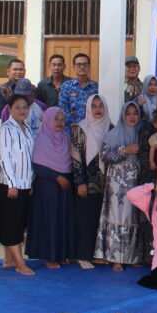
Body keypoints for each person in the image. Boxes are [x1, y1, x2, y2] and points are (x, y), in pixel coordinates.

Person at [96, 101, 150, 270]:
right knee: (118, 215)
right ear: (122, 116)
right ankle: (116, 257)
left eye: (135, 113)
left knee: (133, 216)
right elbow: (104, 156)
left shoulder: (142, 133)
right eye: (128, 113)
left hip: (136, 180)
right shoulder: (113, 134)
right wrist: (124, 151)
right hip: (117, 181)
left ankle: (132, 257)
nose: (132, 117)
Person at [27, 107, 76, 269]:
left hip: (64, 187)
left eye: (62, 119)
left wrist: (66, 179)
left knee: (62, 220)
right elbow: (37, 165)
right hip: (48, 187)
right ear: (47, 120)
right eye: (56, 119)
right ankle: (49, 256)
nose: (60, 123)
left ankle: (60, 254)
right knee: (49, 220)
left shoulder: (66, 138)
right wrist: (57, 177)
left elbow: (71, 162)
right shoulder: (42, 139)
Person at [0, 94, 35, 276]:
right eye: (17, 107)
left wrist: (31, 182)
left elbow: (29, 158)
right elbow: (4, 158)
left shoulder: (27, 128)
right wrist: (11, 184)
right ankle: (20, 263)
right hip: (10, 186)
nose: (22, 110)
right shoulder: (6, 129)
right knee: (11, 224)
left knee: (18, 223)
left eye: (24, 107)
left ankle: (9, 259)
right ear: (10, 109)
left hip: (25, 185)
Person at [71, 94, 111, 269]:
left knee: (101, 219)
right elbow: (76, 156)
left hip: (106, 183)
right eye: (93, 106)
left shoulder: (111, 127)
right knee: (85, 219)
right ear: (88, 108)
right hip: (87, 183)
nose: (97, 109)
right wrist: (80, 182)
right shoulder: (81, 128)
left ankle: (97, 255)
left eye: (101, 105)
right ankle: (83, 255)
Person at [59, 52, 99, 126]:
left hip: (92, 128)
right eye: (79, 64)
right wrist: (72, 126)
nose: (82, 67)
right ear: (74, 67)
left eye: (85, 64)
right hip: (71, 128)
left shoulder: (96, 87)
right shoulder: (66, 86)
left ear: (89, 66)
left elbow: (99, 108)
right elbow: (63, 109)